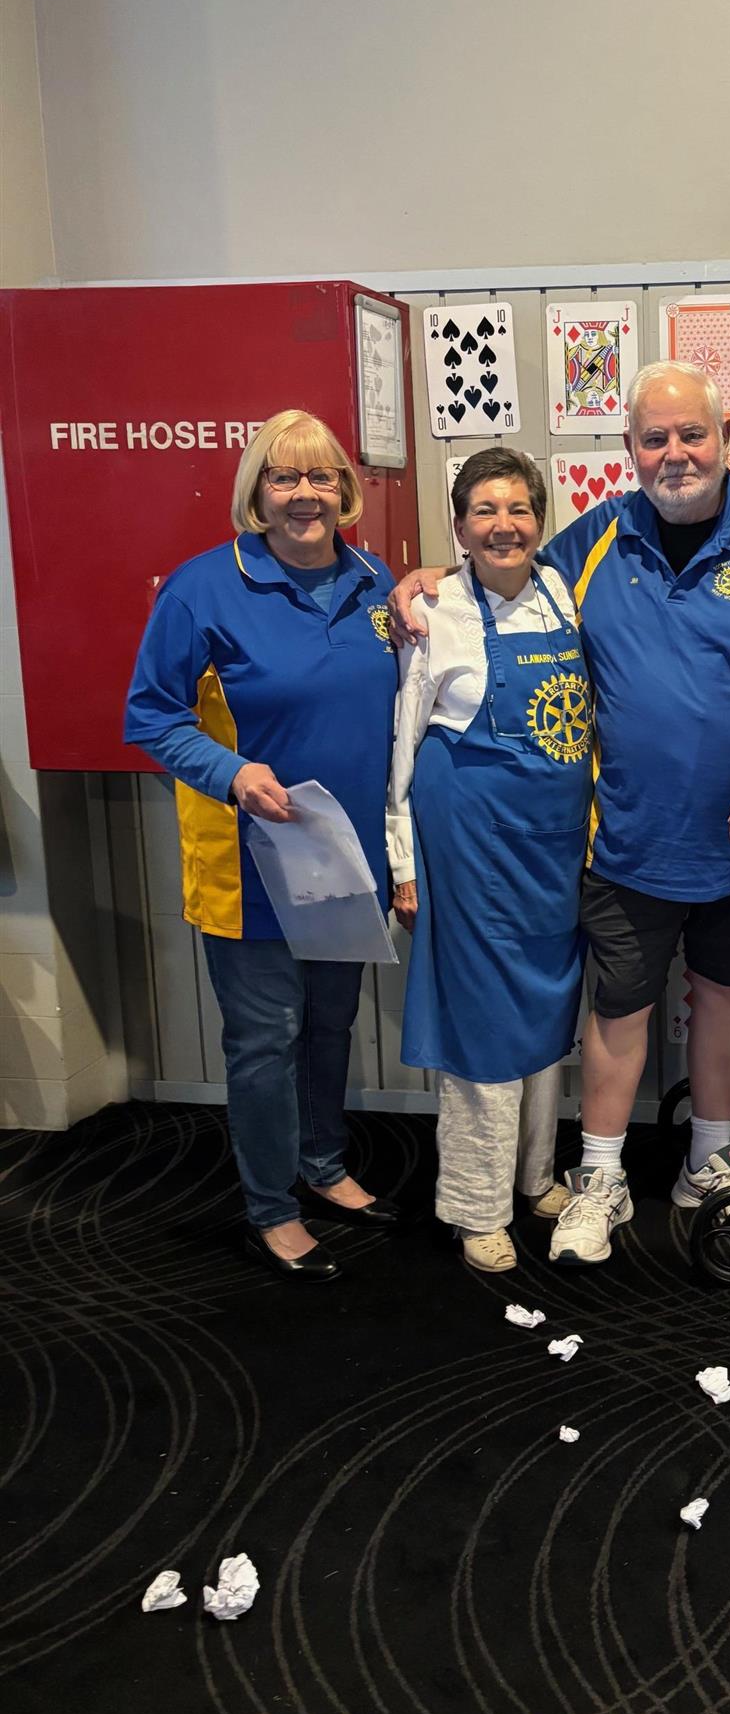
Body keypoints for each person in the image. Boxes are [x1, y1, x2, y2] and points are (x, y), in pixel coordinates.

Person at [390, 363, 730, 1266]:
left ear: (725, 439)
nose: (674, 454)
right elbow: (504, 574)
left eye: (691, 434)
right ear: (630, 450)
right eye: (654, 438)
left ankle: (708, 1159)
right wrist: (426, 580)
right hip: (626, 838)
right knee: (619, 1008)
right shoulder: (595, 540)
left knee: (724, 995)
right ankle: (599, 1177)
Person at [125, 410, 401, 1283]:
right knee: (264, 1040)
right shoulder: (202, 589)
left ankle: (321, 1164)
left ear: (344, 490)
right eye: (284, 477)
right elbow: (150, 715)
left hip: (344, 859)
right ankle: (270, 1208)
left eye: (321, 476)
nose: (304, 494)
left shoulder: (375, 582)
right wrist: (233, 772)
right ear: (257, 492)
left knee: (329, 1025)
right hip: (249, 866)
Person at [387, 449, 587, 1272]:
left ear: (540, 519)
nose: (503, 525)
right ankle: (475, 1206)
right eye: (483, 510)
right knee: (482, 1024)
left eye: (518, 509)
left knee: (544, 1013)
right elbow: (403, 743)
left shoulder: (566, 593)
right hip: (470, 843)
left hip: (553, 846)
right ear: (459, 526)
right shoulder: (434, 612)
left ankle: (533, 1176)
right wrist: (402, 861)